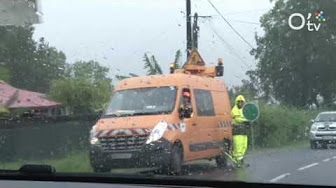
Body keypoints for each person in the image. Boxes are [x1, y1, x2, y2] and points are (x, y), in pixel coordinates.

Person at [231, 95, 250, 167]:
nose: (240, 103)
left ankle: (240, 160)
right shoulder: (234, 109)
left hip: (244, 131)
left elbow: (248, 117)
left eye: (242, 101)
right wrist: (246, 120)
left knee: (244, 146)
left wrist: (249, 120)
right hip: (237, 131)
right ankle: (237, 162)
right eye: (239, 101)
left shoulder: (244, 110)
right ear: (236, 102)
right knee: (238, 147)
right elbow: (237, 119)